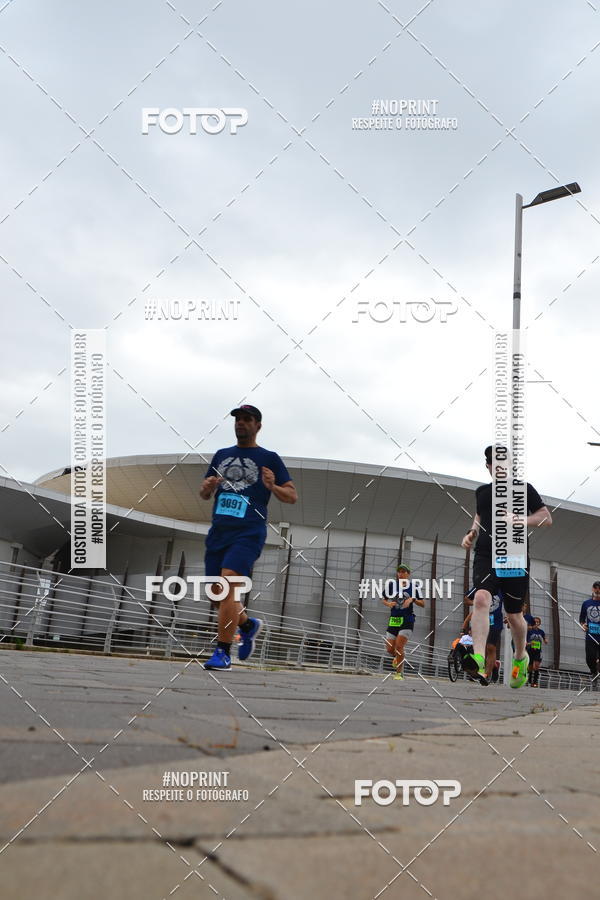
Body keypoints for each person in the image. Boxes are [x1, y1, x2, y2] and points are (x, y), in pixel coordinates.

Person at [200, 405, 297, 670]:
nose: (241, 423)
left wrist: (272, 486)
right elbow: (205, 492)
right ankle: (247, 624)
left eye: (247, 420)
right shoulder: (221, 455)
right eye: (238, 420)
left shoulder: (269, 457)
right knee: (217, 595)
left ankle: (223, 653)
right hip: (219, 532)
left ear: (258, 426)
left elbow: (292, 496)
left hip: (248, 531)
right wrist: (207, 488)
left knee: (229, 585)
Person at [461, 445, 552, 688]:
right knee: (481, 598)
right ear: (488, 466)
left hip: (513, 556)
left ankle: (521, 657)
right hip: (485, 554)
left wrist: (520, 519)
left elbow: (545, 517)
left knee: (514, 616)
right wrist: (471, 533)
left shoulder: (524, 490)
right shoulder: (482, 492)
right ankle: (478, 657)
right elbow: (479, 517)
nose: (498, 467)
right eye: (494, 463)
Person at [382, 564, 425, 680]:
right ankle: (397, 658)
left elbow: (423, 603)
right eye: (399, 572)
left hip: (407, 619)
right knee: (390, 649)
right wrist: (388, 604)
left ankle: (399, 673)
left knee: (399, 646)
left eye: (403, 572)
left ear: (408, 574)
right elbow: (383, 599)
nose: (401, 574)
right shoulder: (391, 585)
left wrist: (413, 599)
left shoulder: (414, 587)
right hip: (394, 619)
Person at [464, 588, 503, 683]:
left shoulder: (501, 588)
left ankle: (486, 675)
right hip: (481, 621)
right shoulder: (480, 586)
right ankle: (493, 666)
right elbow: (466, 599)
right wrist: (478, 603)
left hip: (495, 622)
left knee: (490, 647)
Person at [579, 581, 600, 689]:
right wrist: (583, 625)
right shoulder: (586, 603)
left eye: (599, 588)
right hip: (591, 635)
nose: (597, 590)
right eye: (595, 588)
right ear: (593, 589)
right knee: (589, 658)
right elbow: (582, 618)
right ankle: (593, 672)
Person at [526, 617, 547, 687]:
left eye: (538, 622)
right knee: (530, 666)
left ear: (539, 623)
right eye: (535, 622)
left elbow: (545, 639)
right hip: (530, 650)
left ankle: (535, 682)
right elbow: (525, 642)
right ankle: (529, 680)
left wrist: (546, 640)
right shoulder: (529, 631)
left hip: (538, 651)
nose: (536, 623)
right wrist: (530, 643)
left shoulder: (541, 632)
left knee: (536, 666)